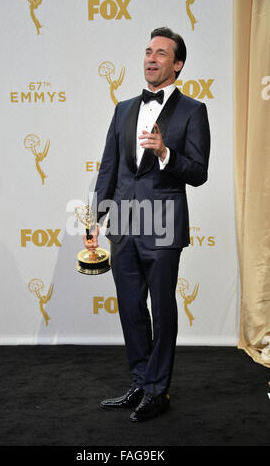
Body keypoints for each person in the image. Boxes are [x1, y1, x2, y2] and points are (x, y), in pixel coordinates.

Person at [83, 27, 210, 422]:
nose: (151, 59)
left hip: (163, 224)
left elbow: (199, 171)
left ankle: (158, 389)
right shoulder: (123, 108)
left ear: (177, 64)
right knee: (131, 307)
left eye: (161, 53)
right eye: (148, 51)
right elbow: (109, 168)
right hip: (122, 223)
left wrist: (166, 152)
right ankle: (140, 381)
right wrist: (95, 218)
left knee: (163, 307)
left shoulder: (193, 110)